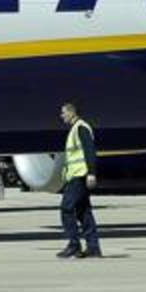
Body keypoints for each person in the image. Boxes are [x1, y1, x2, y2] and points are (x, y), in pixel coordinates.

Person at [58, 102, 101, 259]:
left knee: (66, 209)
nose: (61, 116)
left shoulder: (81, 128)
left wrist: (91, 173)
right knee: (84, 212)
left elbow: (90, 150)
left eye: (63, 113)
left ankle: (74, 245)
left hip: (80, 176)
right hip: (76, 175)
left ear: (71, 112)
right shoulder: (74, 130)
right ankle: (93, 248)